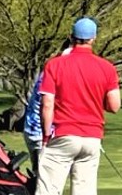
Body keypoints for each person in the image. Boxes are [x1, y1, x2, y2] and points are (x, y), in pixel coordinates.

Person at [36, 18, 121, 195]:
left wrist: (45, 135)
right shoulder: (107, 67)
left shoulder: (55, 64)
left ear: (71, 37)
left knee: (48, 189)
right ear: (93, 38)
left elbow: (47, 104)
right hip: (92, 137)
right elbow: (114, 106)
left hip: (64, 133)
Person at [25, 46, 72, 174]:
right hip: (40, 133)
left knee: (40, 175)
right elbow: (47, 105)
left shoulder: (50, 72)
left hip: (33, 131)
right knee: (45, 178)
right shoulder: (51, 76)